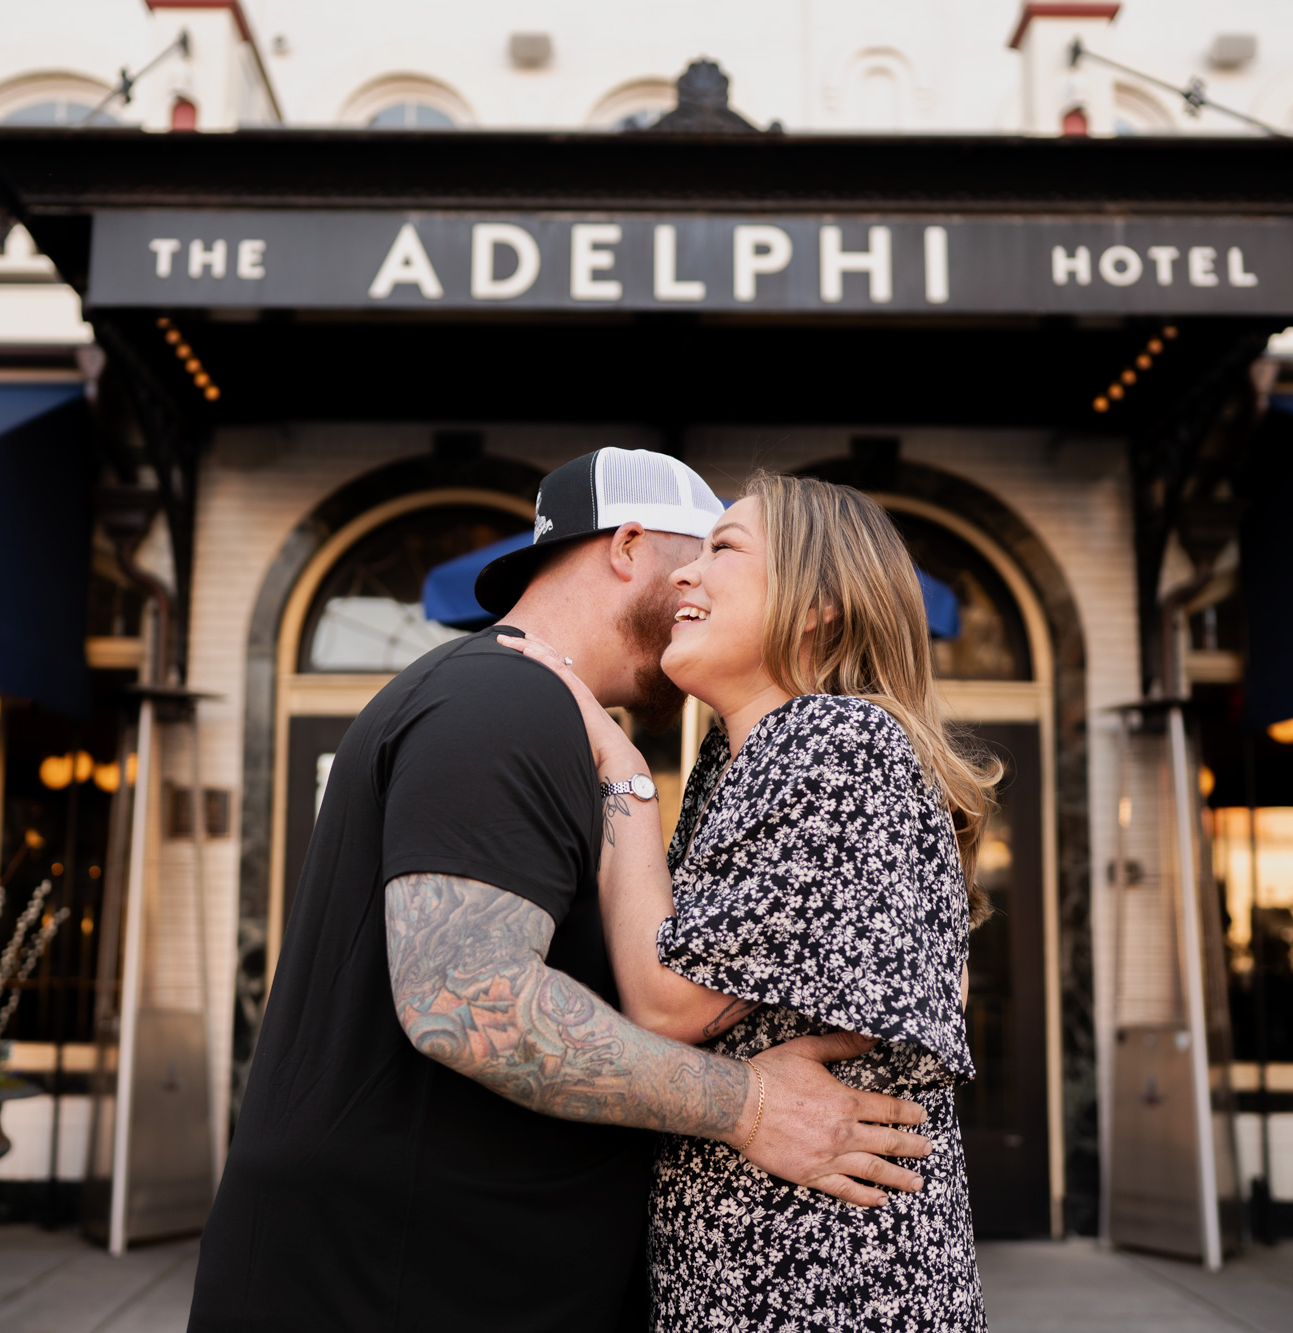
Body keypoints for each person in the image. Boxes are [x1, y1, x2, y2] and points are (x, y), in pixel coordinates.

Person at [188, 449, 934, 1332]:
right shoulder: (509, 700)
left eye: (721, 556)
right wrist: (752, 1106)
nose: (695, 578)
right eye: (693, 552)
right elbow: (464, 999)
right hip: (397, 1281)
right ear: (627, 546)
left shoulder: (614, 729)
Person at [500, 471, 998, 1331]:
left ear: (819, 607)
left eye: (722, 549)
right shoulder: (740, 766)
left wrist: (621, 774)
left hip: (826, 1288)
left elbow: (667, 1003)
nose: (684, 574)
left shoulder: (834, 739)